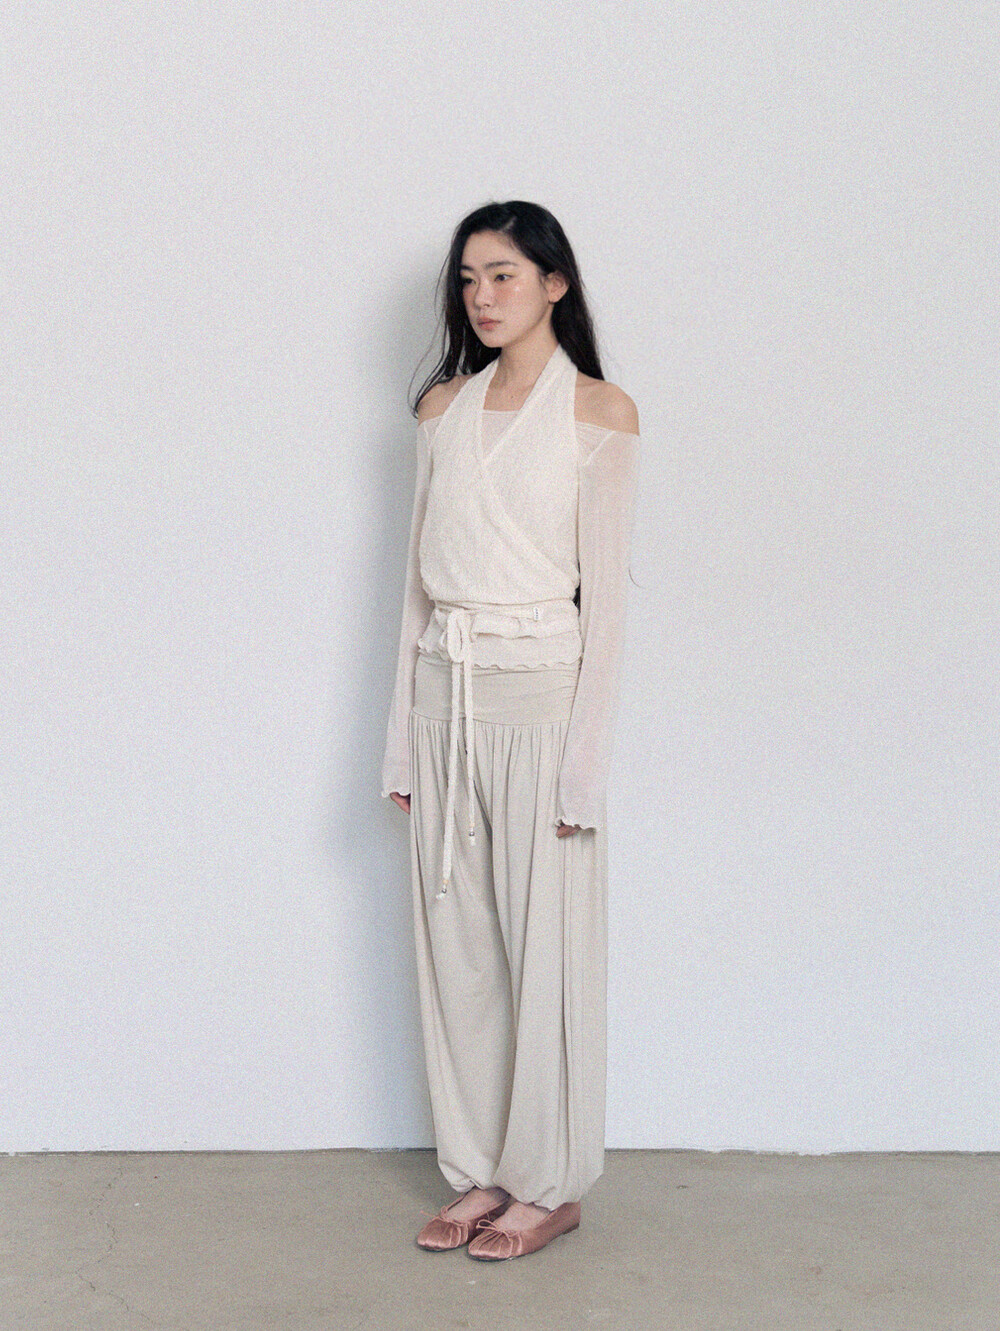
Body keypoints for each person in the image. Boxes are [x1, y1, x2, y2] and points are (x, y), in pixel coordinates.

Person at [380, 200, 640, 1261]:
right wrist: (400, 739)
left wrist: (583, 767)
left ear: (553, 283)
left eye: (503, 275)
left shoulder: (600, 412)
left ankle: (549, 1180)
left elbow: (606, 607)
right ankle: (482, 1167)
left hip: (540, 698)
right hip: (445, 694)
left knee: (545, 946)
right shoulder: (442, 408)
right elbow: (413, 586)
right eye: (469, 278)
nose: (481, 297)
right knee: (461, 949)